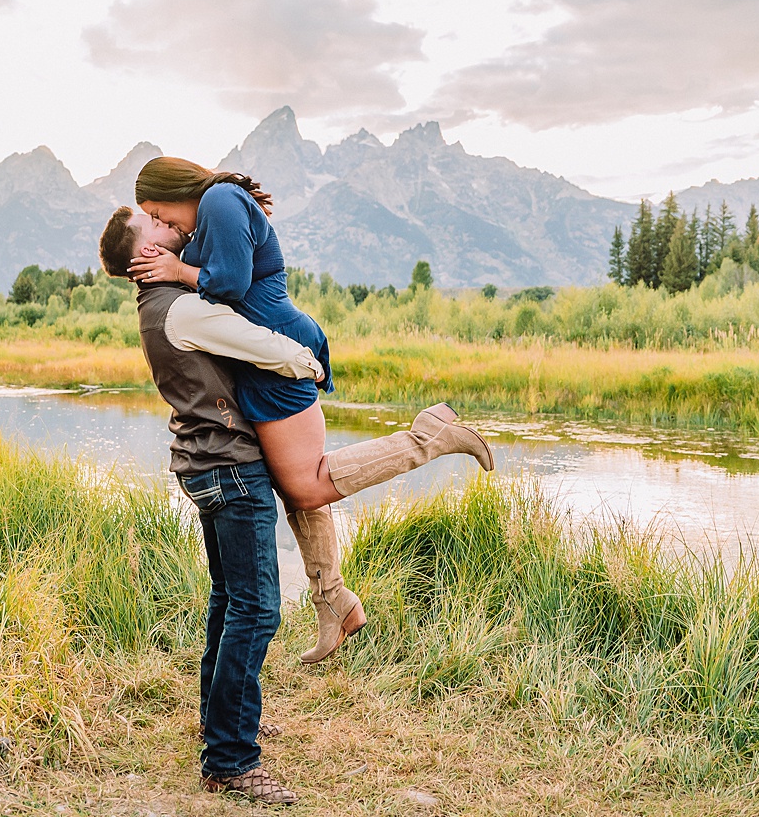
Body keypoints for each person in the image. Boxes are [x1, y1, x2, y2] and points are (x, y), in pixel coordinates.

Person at [106, 184, 494, 665]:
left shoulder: (215, 208)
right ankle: (332, 600)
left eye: (160, 213)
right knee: (296, 483)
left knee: (307, 485)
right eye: (155, 222)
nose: (165, 223)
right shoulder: (189, 246)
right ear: (146, 248)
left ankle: (427, 438)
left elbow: (228, 287)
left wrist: (182, 271)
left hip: (278, 361)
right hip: (259, 370)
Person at [99, 206, 317, 804]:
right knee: (256, 611)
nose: (173, 232)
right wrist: (309, 362)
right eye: (158, 230)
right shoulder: (184, 309)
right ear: (143, 256)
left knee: (230, 604)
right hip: (232, 471)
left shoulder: (156, 308)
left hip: (206, 468)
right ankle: (230, 758)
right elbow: (263, 346)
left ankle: (223, 724)